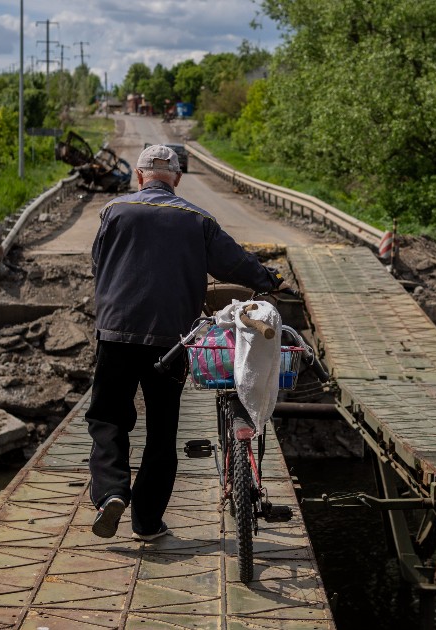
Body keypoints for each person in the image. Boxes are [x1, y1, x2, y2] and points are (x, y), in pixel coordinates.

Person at [87, 143, 282, 541]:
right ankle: (145, 522)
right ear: (176, 178)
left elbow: (98, 263)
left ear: (139, 176)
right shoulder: (198, 219)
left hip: (116, 333)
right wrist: (268, 281)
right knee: (161, 431)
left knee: (108, 417)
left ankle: (110, 494)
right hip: (172, 339)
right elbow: (235, 262)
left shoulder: (113, 211)